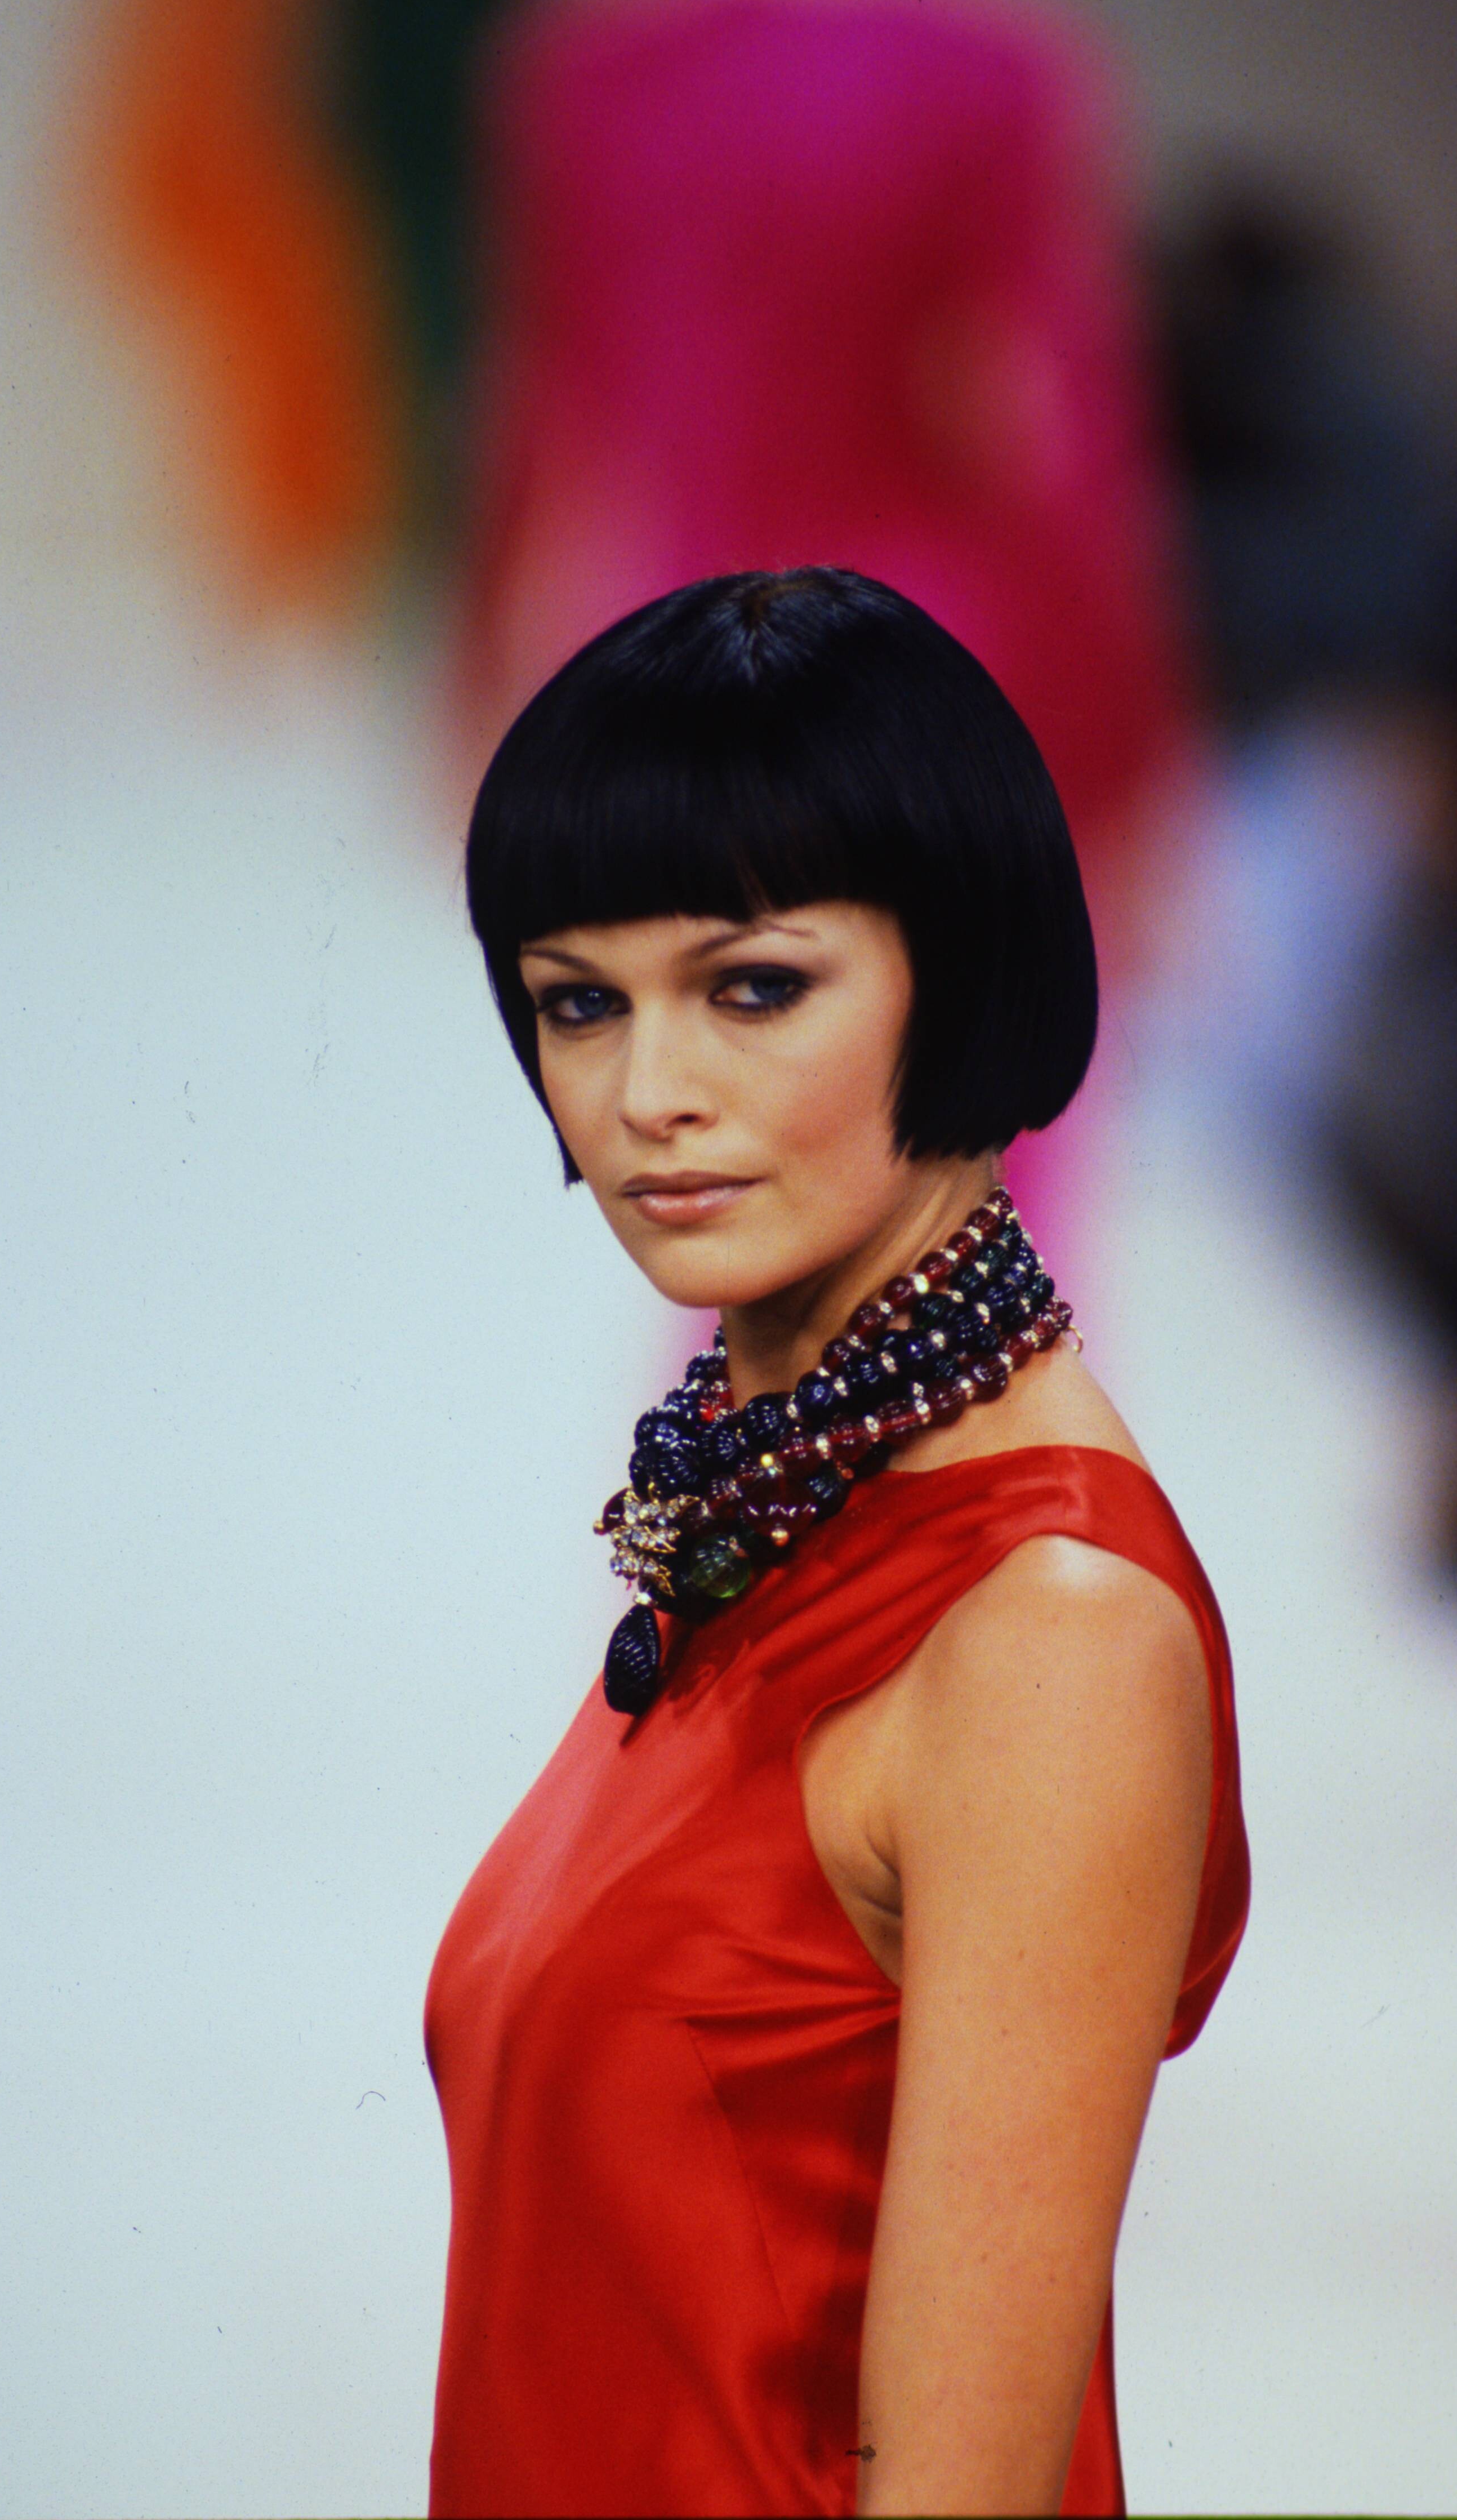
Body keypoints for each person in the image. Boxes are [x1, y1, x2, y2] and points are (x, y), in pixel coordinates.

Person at [425, 568, 1249, 2518]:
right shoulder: (784, 1502)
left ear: (959, 966)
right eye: (579, 1003)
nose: (649, 1098)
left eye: (753, 988)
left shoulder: (1046, 1630)